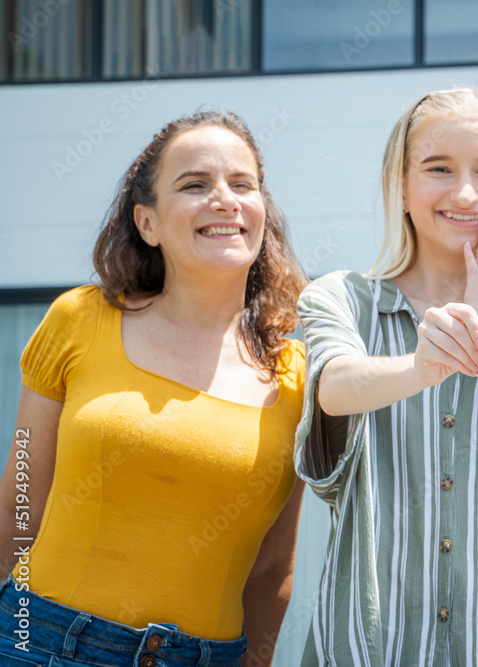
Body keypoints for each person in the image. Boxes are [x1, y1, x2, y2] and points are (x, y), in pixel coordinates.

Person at [0, 111, 308, 667]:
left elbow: (272, 569)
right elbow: (21, 504)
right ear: (148, 223)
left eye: (243, 184)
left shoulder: (298, 377)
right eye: (194, 185)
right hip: (40, 644)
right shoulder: (78, 319)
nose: (225, 199)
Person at [293, 88, 478, 666]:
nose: (466, 192)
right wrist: (419, 367)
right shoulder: (343, 300)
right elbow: (334, 387)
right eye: (438, 169)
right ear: (400, 187)